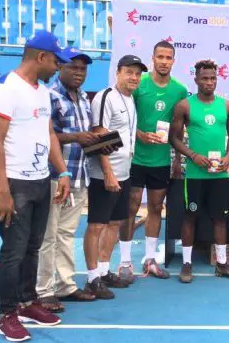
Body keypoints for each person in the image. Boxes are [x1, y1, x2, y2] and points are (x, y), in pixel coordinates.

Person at [0, 30, 71, 342]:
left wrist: (62, 172)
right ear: (41, 57)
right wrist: (2, 191)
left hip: (40, 180)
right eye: (57, 61)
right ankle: (6, 313)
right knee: (14, 251)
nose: (59, 67)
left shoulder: (43, 92)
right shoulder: (4, 89)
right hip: (14, 182)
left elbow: (49, 135)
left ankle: (26, 302)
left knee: (33, 247)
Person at [118, 41, 187, 283]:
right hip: (136, 158)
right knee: (131, 207)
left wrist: (177, 159)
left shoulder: (179, 90)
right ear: (153, 58)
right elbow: (126, 119)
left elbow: (179, 128)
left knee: (156, 208)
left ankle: (150, 259)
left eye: (168, 58)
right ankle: (124, 261)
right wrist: (139, 135)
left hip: (160, 160)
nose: (164, 61)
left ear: (173, 61)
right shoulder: (140, 83)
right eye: (160, 57)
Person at [170, 59, 229, 283]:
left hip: (219, 174)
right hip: (195, 175)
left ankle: (222, 264)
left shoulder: (227, 106)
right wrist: (192, 155)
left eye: (213, 78)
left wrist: (228, 158)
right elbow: (174, 138)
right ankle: (186, 264)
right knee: (190, 217)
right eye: (205, 78)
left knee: (220, 219)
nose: (209, 82)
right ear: (196, 79)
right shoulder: (184, 106)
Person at [36, 47, 97, 314]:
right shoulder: (48, 96)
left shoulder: (83, 98)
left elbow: (84, 135)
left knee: (66, 234)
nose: (78, 73)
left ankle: (65, 285)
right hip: (54, 175)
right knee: (48, 235)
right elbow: (43, 135)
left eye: (83, 68)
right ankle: (43, 291)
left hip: (79, 174)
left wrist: (98, 139)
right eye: (73, 67)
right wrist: (76, 137)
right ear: (60, 67)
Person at [83, 55, 146, 299]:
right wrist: (108, 174)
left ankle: (104, 270)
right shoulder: (105, 97)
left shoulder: (130, 99)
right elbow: (99, 135)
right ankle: (92, 279)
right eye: (129, 72)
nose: (134, 77)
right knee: (96, 225)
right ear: (118, 72)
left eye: (137, 74)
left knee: (114, 223)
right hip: (104, 175)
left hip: (124, 173)